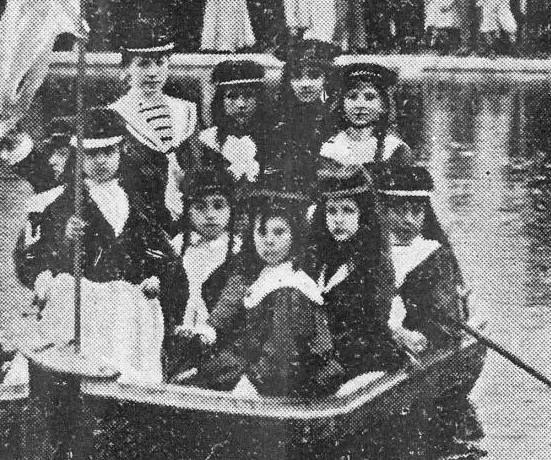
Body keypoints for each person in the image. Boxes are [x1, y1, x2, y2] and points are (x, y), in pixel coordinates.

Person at [15, 109, 188, 382]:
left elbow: (164, 256)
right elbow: (31, 253)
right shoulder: (60, 202)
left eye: (108, 153)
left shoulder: (139, 201)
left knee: (132, 362)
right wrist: (43, 272)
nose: (100, 161)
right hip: (79, 299)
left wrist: (158, 278)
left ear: (121, 151)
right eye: (91, 155)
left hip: (129, 303)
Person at [193, 172, 343, 399]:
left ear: (295, 236)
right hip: (251, 362)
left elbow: (280, 351)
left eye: (279, 232)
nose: (269, 241)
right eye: (261, 232)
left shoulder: (291, 287)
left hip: (278, 377)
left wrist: (250, 384)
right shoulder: (260, 274)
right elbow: (232, 300)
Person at [107, 19, 198, 230]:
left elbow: (196, 165)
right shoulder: (116, 115)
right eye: (143, 64)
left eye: (160, 63)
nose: (153, 73)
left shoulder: (186, 111)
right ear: (127, 68)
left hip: (187, 220)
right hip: (138, 221)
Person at [309, 163, 396, 378]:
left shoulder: (374, 265)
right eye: (331, 211)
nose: (338, 219)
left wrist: (339, 357)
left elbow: (373, 326)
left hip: (360, 354)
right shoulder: (319, 259)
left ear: (363, 215)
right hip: (323, 350)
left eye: (348, 210)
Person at [374, 157, 466, 357]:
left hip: (410, 347)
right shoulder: (369, 251)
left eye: (416, 211)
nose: (408, 219)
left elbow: (444, 322)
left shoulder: (432, 255)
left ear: (425, 213)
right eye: (399, 210)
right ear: (383, 211)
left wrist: (415, 337)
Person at [169, 163, 241, 375]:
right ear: (188, 210)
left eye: (219, 206)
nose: (210, 215)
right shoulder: (179, 247)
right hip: (180, 333)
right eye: (200, 207)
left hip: (218, 338)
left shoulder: (237, 250)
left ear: (230, 209)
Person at [263, 38, 338, 187]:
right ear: (288, 81)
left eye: (314, 76)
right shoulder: (278, 120)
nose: (305, 84)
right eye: (297, 77)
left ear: (326, 80)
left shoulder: (335, 117)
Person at [181, 58, 267, 187]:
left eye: (248, 96)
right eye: (232, 96)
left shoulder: (271, 140)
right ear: (221, 101)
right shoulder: (206, 142)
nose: (241, 104)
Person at [319, 61, 411, 169]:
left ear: (383, 106)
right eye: (352, 97)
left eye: (370, 97)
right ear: (342, 104)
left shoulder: (394, 149)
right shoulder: (330, 149)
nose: (360, 105)